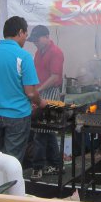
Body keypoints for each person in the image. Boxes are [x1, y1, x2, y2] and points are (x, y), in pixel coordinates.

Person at [0, 16, 46, 164]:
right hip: (17, 116)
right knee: (11, 162)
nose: (26, 38)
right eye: (25, 34)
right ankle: (9, 187)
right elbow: (31, 92)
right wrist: (40, 102)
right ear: (20, 32)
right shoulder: (24, 56)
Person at [28, 25, 65, 181]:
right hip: (40, 91)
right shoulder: (38, 52)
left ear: (46, 36)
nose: (35, 42)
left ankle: (38, 167)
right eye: (34, 40)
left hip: (50, 94)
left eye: (37, 39)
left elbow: (55, 77)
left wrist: (38, 90)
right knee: (47, 131)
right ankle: (57, 164)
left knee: (40, 131)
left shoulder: (56, 52)